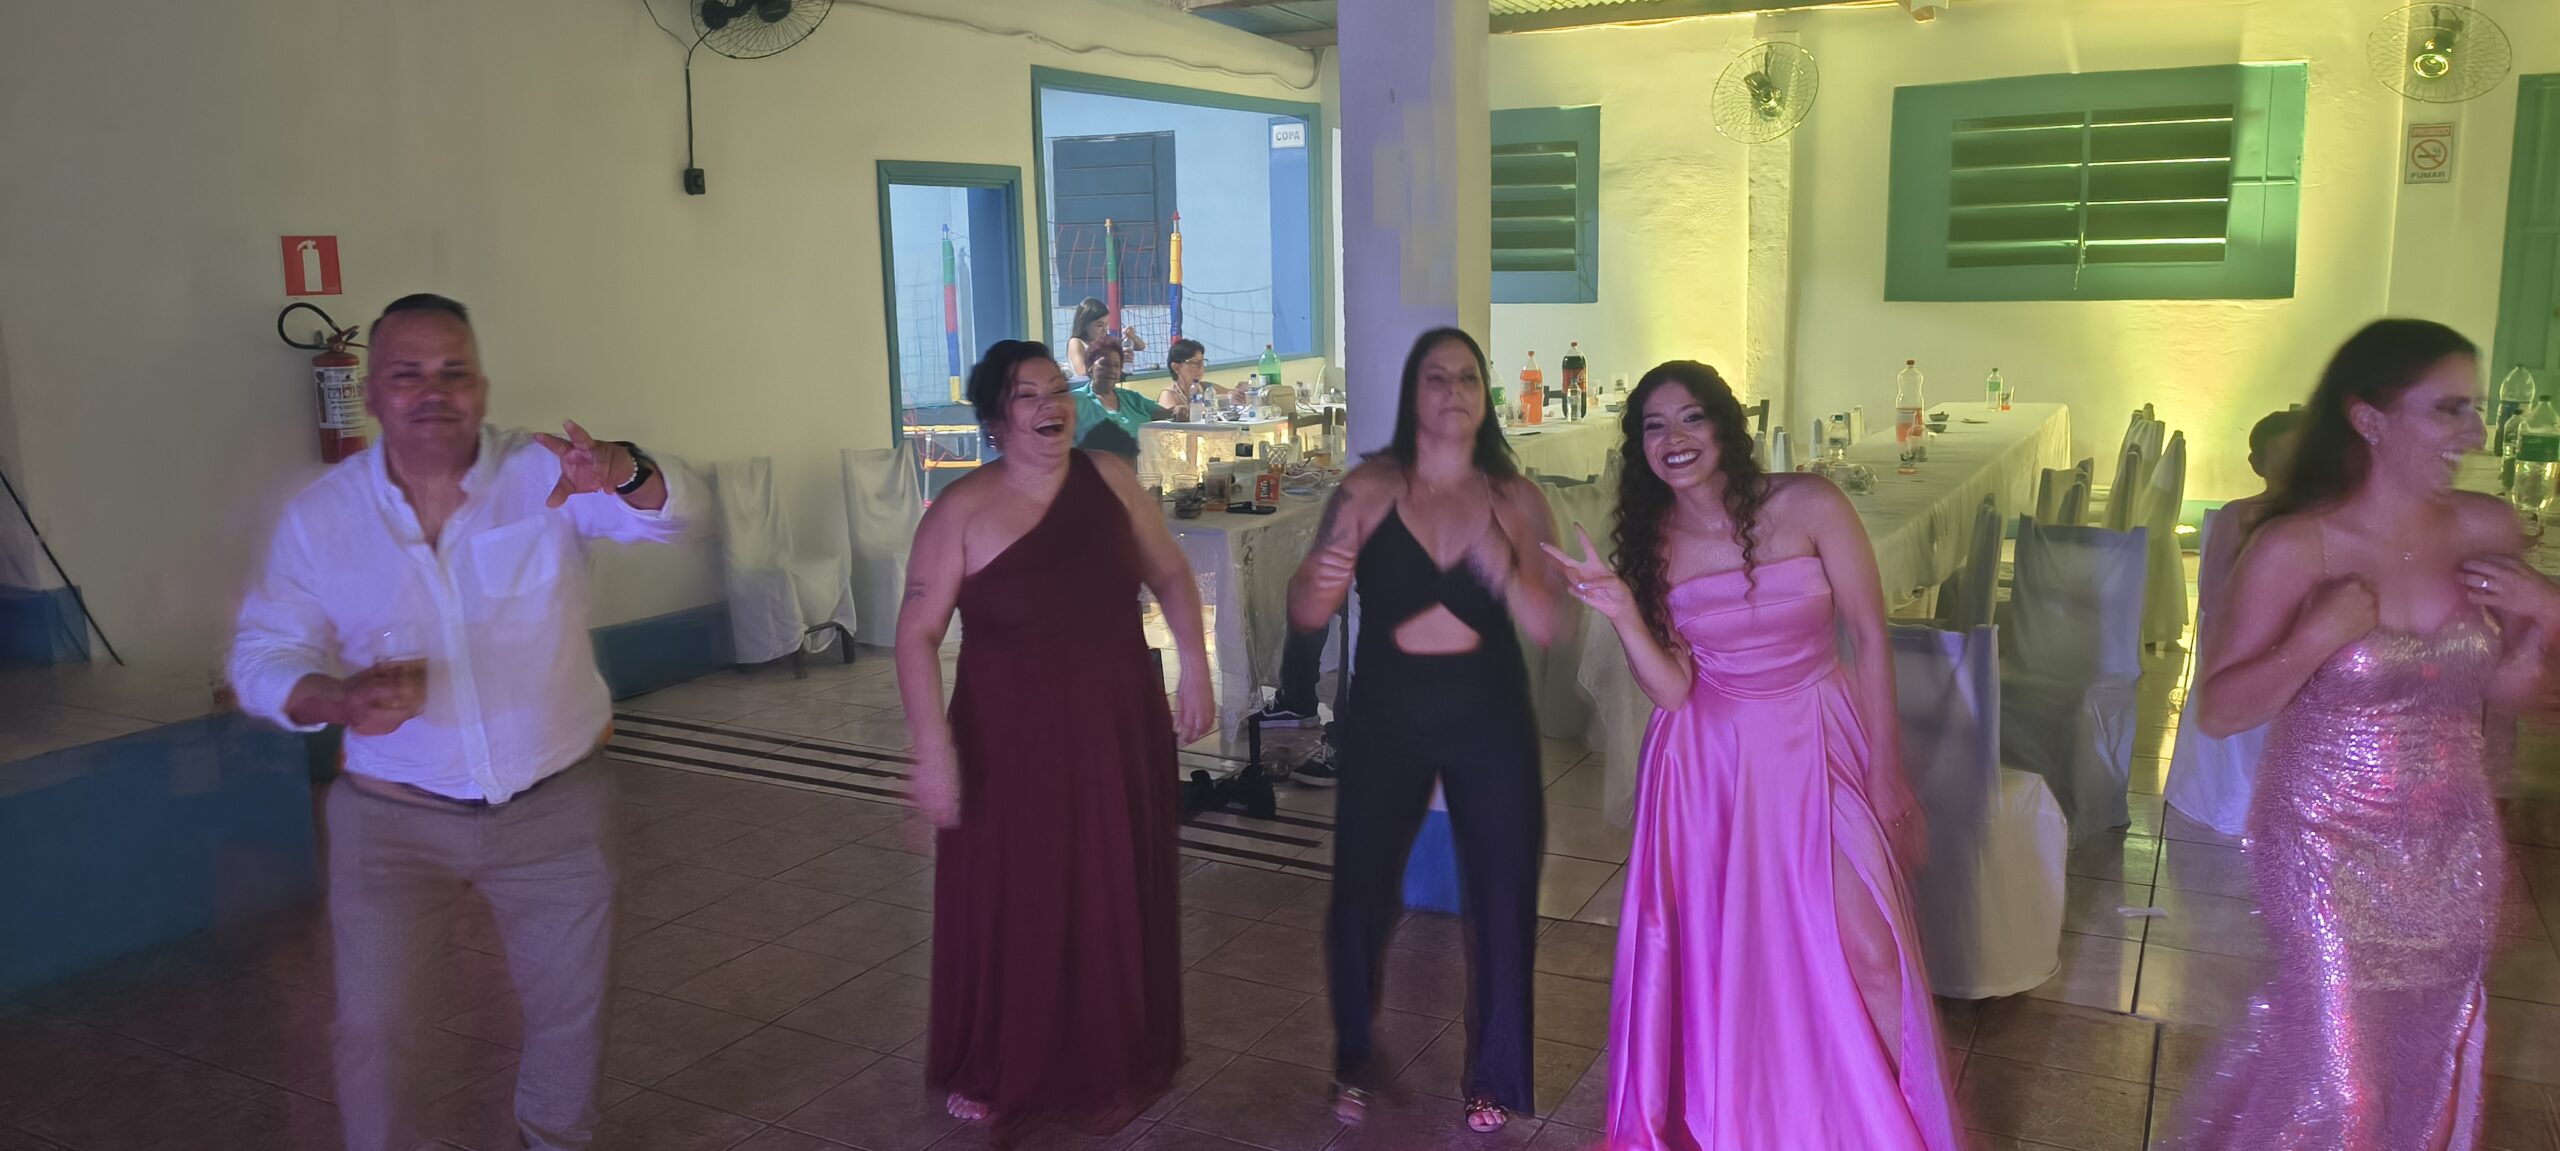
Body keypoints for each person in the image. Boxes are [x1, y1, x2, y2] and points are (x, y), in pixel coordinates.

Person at [228, 293, 691, 1151]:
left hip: (557, 805)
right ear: (373, 392)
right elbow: (262, 653)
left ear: (482, 387)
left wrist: (624, 469)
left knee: (571, 1012)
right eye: (408, 374)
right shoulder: (322, 517)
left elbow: (673, 517)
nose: (432, 391)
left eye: (454, 372)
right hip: (391, 816)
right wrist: (336, 700)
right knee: (377, 1027)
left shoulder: (549, 475)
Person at [1543, 360, 1958, 1149]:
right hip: (1713, 764)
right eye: (1654, 426)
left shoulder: (1811, 503)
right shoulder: (1653, 543)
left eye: (1690, 417)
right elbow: (1672, 690)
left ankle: (1901, 1128)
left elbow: (1869, 636)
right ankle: (1764, 1121)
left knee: (1873, 952)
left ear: (1725, 425)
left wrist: (1887, 769)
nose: (1673, 438)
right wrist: (1623, 611)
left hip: (1820, 734)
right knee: (1741, 968)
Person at [2170, 319, 2560, 1149]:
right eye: (2450, 409)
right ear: (2370, 419)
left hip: (2455, 844)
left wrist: (2545, 614)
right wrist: (2315, 638)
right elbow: (2221, 709)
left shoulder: (2486, 528)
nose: (2475, 433)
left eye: (2475, 409)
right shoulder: (2297, 545)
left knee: (2423, 1060)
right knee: (2344, 1086)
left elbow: (2513, 688)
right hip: (2323, 841)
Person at [897, 339, 1216, 1144]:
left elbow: (1171, 573)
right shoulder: (960, 510)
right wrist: (931, 750)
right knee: (1016, 899)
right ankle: (997, 1064)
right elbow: (915, 634)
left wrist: (1198, 670)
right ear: (995, 419)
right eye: (1027, 394)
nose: (1051, 406)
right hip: (1007, 742)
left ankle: (1113, 1061)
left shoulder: (1108, 479)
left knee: (1110, 890)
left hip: (1116, 727)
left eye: (1056, 389)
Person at [1288, 327, 1565, 1133]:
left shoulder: (1516, 498)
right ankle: (1353, 1056)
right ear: (1414, 393)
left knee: (1503, 894)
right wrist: (1319, 579)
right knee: (1360, 890)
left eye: (1467, 378)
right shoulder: (1369, 488)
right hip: (1388, 711)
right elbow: (1307, 609)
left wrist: (1508, 572)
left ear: (1486, 395)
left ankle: (1493, 1076)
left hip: (1488, 712)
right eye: (1436, 377)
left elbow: (1551, 625)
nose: (1453, 391)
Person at [2163, 408, 2303, 836]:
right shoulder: (2238, 516)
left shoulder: (2329, 517)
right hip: (2249, 641)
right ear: (2258, 466)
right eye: (2282, 461)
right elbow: (2215, 596)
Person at [1071, 335, 1167, 462]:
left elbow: (1167, 414)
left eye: (1116, 366)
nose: (1111, 370)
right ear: (1090, 367)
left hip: (1143, 467)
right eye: (1105, 364)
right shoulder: (1075, 400)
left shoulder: (1132, 399)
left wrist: (1181, 410)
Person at [1063, 296, 1144, 380]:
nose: (1105, 329)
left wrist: (1131, 337)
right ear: (1085, 325)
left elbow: (1140, 346)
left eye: (1106, 324)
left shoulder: (1106, 340)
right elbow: (1083, 372)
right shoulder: (1076, 343)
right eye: (1100, 325)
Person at [1155, 337, 1226, 419]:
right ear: (1176, 367)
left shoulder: (1207, 388)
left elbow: (1232, 395)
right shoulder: (1168, 395)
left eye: (1202, 362)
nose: (1201, 367)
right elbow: (1171, 422)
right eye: (1195, 363)